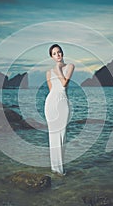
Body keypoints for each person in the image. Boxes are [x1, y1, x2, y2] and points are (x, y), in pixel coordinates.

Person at [44, 44, 75, 175]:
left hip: (63, 104)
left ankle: (61, 170)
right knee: (53, 137)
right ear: (51, 56)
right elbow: (52, 91)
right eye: (55, 53)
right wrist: (55, 69)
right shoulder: (48, 73)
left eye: (59, 52)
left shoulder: (70, 67)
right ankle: (54, 169)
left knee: (62, 135)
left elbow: (63, 85)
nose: (58, 55)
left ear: (62, 53)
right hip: (50, 104)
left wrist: (58, 69)